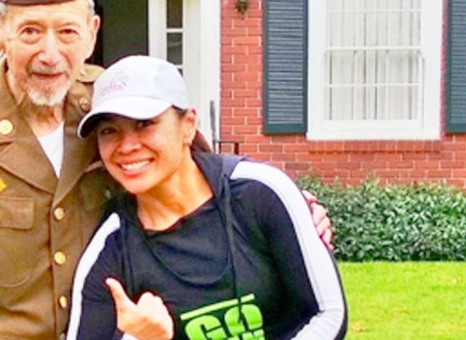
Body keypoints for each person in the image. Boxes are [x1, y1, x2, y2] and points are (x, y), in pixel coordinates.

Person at [0, 0, 334, 340]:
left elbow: (198, 180)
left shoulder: (110, 107)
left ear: (91, 33)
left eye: (67, 31)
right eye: (30, 31)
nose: (50, 53)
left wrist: (294, 211)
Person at [67, 56, 347, 340]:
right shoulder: (110, 249)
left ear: (188, 124)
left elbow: (329, 314)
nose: (127, 146)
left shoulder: (260, 193)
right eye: (109, 131)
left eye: (144, 124)